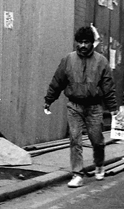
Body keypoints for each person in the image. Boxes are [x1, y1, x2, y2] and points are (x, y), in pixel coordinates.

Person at [43, 26, 118, 188]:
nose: (83, 46)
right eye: (80, 42)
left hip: (94, 107)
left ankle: (99, 164)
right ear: (76, 43)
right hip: (74, 106)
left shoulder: (101, 62)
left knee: (97, 140)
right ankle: (77, 174)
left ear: (92, 43)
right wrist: (49, 99)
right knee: (75, 139)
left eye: (87, 42)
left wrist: (113, 109)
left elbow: (108, 88)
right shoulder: (68, 60)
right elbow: (57, 82)